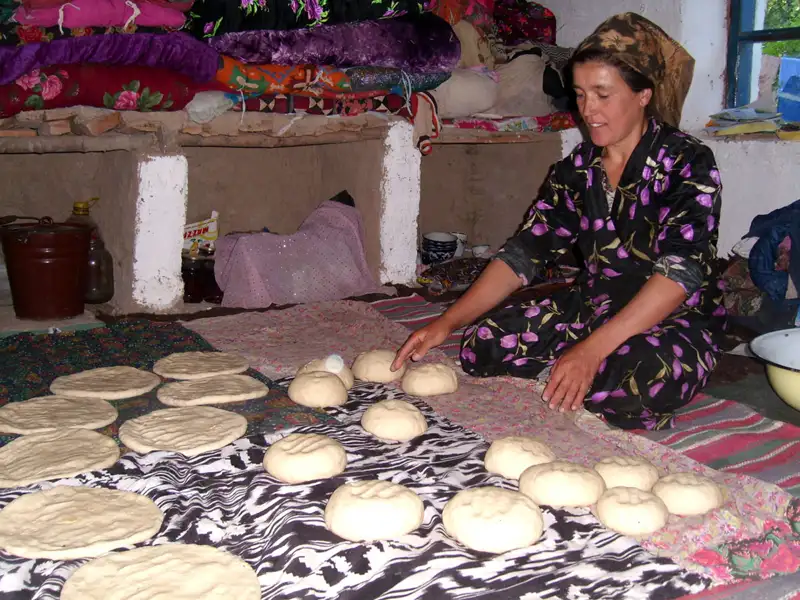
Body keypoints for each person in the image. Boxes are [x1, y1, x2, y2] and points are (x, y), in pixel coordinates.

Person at [391, 12, 726, 431]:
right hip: (595, 304)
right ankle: (578, 365)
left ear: (643, 94)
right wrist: (447, 322)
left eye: (603, 95)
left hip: (671, 317)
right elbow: (523, 253)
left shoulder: (688, 162)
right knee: (484, 345)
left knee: (633, 381)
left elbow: (682, 274)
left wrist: (592, 350)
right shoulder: (578, 169)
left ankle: (589, 366)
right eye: (581, 94)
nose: (588, 110)